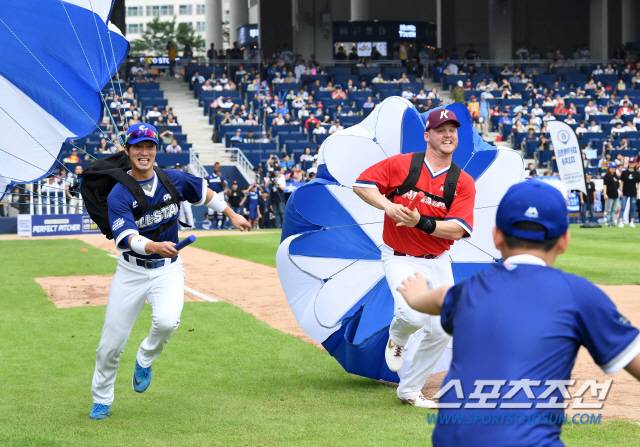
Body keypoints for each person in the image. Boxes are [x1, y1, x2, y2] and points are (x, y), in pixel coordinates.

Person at [397, 180, 640, 447]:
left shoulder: (471, 290)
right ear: (564, 241)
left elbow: (441, 297)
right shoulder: (579, 295)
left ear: (496, 237)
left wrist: (416, 297)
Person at [89, 123, 250, 420]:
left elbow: (205, 194)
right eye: (138, 146)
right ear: (128, 151)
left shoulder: (172, 179)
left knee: (166, 322)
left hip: (168, 270)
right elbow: (128, 238)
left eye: (149, 147)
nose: (144, 152)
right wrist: (153, 246)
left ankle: (145, 357)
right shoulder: (119, 194)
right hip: (131, 272)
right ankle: (101, 399)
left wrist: (232, 213)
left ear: (156, 151)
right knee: (110, 345)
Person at [352, 109, 476, 407]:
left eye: (452, 130)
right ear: (427, 135)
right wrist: (388, 206)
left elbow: (458, 229)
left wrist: (421, 222)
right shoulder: (403, 165)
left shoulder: (462, 181)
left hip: (437, 260)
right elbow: (362, 185)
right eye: (440, 130)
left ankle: (409, 390)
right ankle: (398, 336)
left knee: (442, 328)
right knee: (412, 315)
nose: (448, 135)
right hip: (400, 256)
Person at [620, 160, 639, 227]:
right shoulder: (624, 172)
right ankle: (621, 221)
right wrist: (621, 191)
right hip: (625, 192)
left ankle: (631, 221)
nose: (631, 164)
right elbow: (622, 182)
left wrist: (638, 192)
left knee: (633, 208)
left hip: (633, 192)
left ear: (635, 164)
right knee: (623, 207)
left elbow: (638, 184)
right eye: (630, 162)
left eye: (633, 163)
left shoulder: (637, 173)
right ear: (628, 163)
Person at [603, 162, 622, 227]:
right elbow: (605, 186)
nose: (613, 169)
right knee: (608, 210)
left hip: (616, 195)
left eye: (614, 168)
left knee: (613, 210)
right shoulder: (606, 176)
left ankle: (613, 222)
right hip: (609, 195)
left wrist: (620, 191)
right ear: (609, 168)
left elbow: (618, 185)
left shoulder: (616, 176)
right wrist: (605, 194)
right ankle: (608, 223)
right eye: (611, 168)